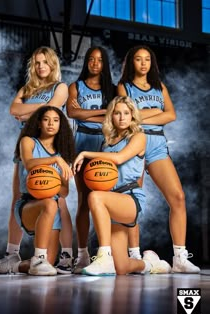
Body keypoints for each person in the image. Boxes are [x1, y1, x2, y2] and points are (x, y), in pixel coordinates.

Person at [0, 46, 74, 275]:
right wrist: (35, 109)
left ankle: (66, 255)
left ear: (53, 64)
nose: (41, 66)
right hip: (27, 145)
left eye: (45, 62)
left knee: (58, 199)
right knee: (18, 196)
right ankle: (11, 253)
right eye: (37, 63)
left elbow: (51, 109)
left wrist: (28, 113)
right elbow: (13, 109)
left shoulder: (60, 87)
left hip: (51, 145)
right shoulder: (27, 88)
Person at [117, 45, 200, 273]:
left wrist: (143, 113)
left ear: (152, 63)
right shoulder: (124, 87)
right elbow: (127, 117)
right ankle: (134, 256)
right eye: (138, 59)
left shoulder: (159, 87)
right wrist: (155, 111)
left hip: (157, 146)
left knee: (178, 197)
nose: (143, 63)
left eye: (147, 59)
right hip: (135, 143)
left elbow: (171, 115)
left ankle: (180, 258)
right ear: (130, 62)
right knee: (133, 204)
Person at [72, 96, 171, 275]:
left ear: (133, 116)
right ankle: (150, 264)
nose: (122, 117)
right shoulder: (107, 142)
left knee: (94, 197)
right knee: (122, 268)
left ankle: (104, 257)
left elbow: (119, 158)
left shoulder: (139, 137)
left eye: (127, 113)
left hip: (130, 198)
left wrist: (85, 153)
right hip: (112, 201)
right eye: (117, 113)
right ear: (111, 116)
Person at [66, 46, 116, 274]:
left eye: (99, 60)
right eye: (91, 59)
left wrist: (88, 112)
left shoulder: (113, 89)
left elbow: (115, 115)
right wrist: (104, 112)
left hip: (106, 145)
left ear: (105, 64)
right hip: (82, 143)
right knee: (84, 201)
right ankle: (83, 255)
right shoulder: (75, 87)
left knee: (108, 200)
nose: (95, 63)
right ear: (86, 62)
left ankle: (109, 253)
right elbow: (72, 113)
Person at [13, 105, 75, 275]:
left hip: (52, 208)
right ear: (39, 123)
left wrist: (59, 180)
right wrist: (54, 160)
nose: (51, 124)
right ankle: (38, 257)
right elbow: (29, 163)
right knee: (50, 203)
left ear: (60, 125)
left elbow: (64, 192)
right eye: (46, 119)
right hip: (28, 204)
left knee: (48, 265)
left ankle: (13, 266)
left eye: (56, 120)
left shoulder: (62, 156)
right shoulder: (29, 141)